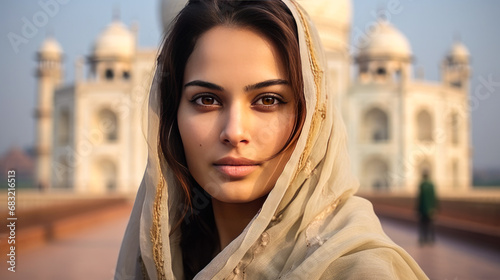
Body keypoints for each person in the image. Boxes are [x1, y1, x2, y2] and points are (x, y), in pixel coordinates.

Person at [115, 0, 428, 279]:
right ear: (169, 113)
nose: (235, 132)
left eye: (268, 100)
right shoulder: (168, 256)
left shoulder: (357, 269)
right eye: (207, 99)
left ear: (313, 114)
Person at [417, 171, 438, 245]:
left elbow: (420, 198)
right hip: (431, 209)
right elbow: (434, 197)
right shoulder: (431, 185)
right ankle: (431, 239)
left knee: (423, 225)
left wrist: (418, 209)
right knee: (431, 225)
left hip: (423, 209)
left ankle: (423, 239)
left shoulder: (422, 185)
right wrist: (436, 208)